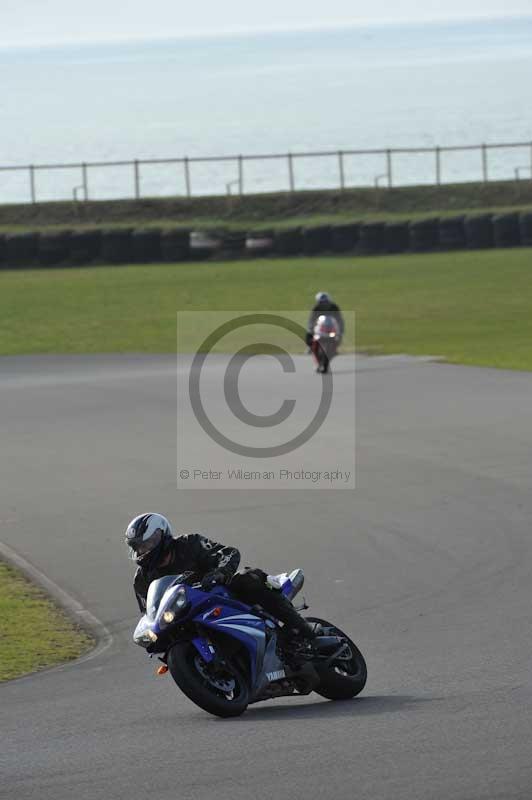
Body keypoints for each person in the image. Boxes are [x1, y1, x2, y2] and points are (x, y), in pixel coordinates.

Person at [125, 513, 315, 644]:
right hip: (185, 614)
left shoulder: (189, 543)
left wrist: (219, 573)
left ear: (161, 536)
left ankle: (303, 629)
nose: (143, 551)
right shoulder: (141, 579)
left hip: (218, 593)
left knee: (248, 578)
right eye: (139, 547)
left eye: (147, 544)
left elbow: (228, 553)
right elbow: (149, 613)